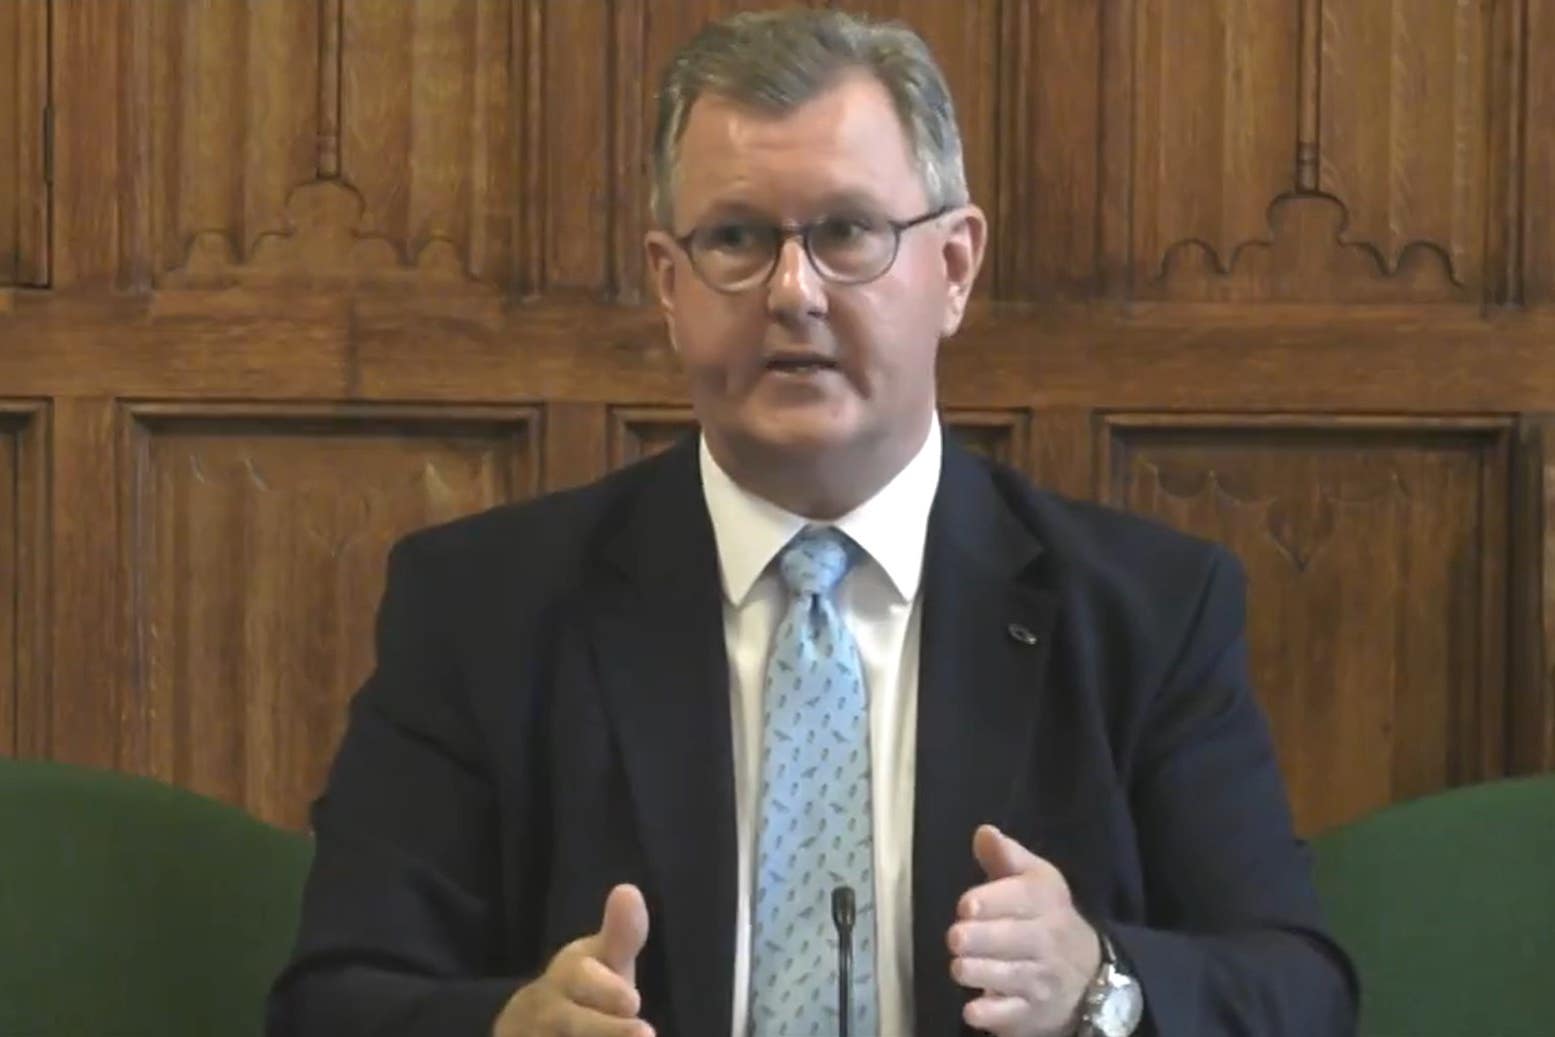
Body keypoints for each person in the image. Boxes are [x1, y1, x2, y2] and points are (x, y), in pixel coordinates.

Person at [268, 9, 1357, 1037]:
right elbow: (333, 997)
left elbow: (1300, 990)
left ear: (955, 268)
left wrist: (1099, 986)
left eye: (847, 233)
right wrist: (508, 1023)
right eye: (736, 238)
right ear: (667, 280)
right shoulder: (484, 606)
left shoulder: (1146, 609)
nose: (793, 291)